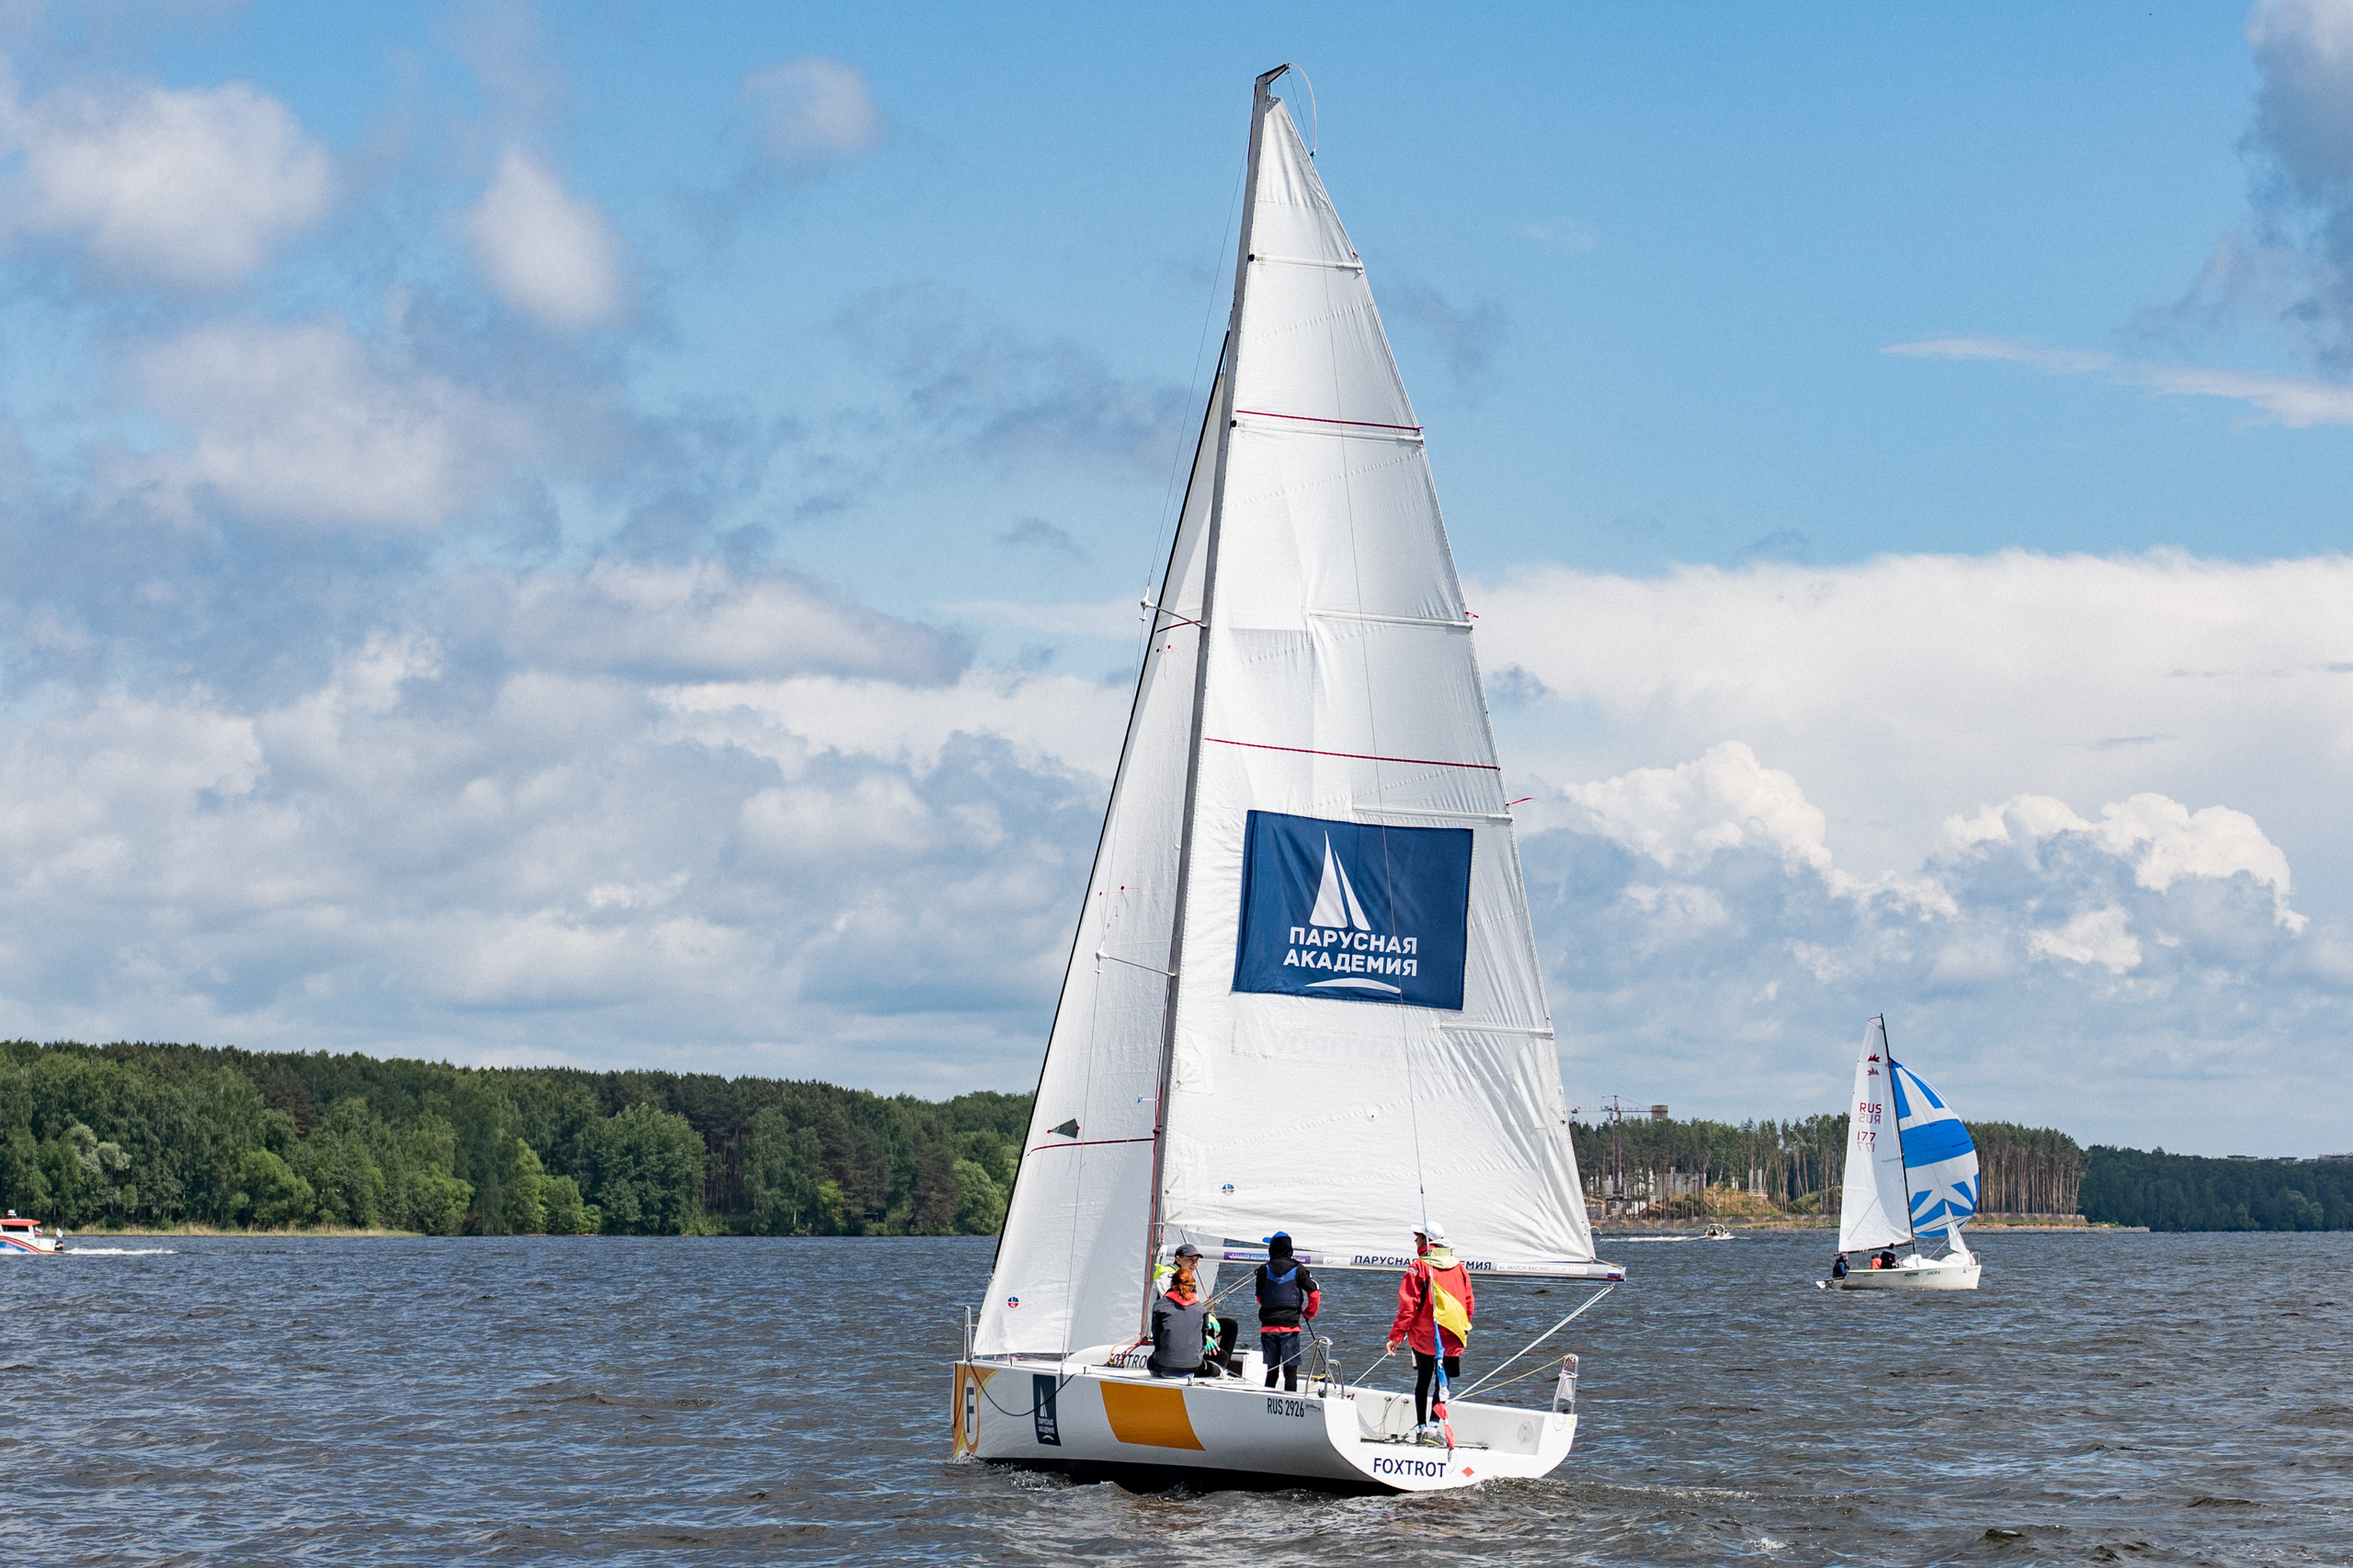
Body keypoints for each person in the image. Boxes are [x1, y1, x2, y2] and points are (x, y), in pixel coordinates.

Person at [1386, 1223, 1473, 1440]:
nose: (1415, 1241)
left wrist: (1396, 1336)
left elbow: (1408, 1306)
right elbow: (1468, 1304)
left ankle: (1421, 1426)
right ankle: (1434, 1427)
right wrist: (1462, 1329)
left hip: (1425, 1337)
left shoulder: (1419, 1267)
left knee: (1423, 1380)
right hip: (1452, 1337)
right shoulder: (1459, 1267)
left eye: (1417, 1237)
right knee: (1442, 1382)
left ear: (1426, 1240)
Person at [1254, 1232, 1321, 1392]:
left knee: (1272, 1370)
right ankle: (1292, 1399)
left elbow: (1259, 1298)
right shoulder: (1298, 1269)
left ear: (1273, 1248)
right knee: (1290, 1370)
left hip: (1268, 1327)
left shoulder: (1264, 1269)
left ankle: (1266, 1398)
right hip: (1290, 1328)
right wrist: (1308, 1313)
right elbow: (1314, 1294)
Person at [1148, 1244, 1211, 1379]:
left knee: (1229, 1325)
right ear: (1178, 1259)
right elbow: (1176, 1311)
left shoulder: (1184, 1278)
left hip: (1177, 1338)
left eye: (1196, 1260)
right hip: (1174, 1331)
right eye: (1190, 1259)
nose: (1194, 1264)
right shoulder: (1168, 1277)